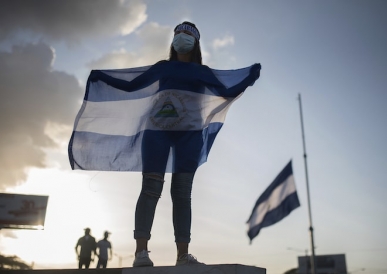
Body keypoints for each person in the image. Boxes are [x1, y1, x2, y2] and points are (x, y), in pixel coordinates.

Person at [87, 21, 261, 267]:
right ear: (173, 40)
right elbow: (131, 85)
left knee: (182, 194)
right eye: (178, 33)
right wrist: (102, 76)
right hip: (157, 131)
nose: (182, 37)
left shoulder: (203, 72)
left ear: (195, 42)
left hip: (188, 134)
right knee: (150, 188)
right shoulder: (163, 67)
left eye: (187, 33)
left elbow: (226, 92)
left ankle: (182, 255)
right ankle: (141, 253)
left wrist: (249, 78)